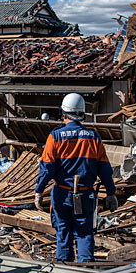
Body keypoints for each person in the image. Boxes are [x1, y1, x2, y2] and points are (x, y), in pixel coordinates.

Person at [34, 93, 118, 262]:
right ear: (82, 114)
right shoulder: (93, 137)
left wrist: (39, 190)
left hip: (62, 194)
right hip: (85, 195)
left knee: (63, 232)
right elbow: (105, 169)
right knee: (84, 233)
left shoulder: (55, 136)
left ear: (63, 114)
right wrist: (111, 192)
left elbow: (47, 168)